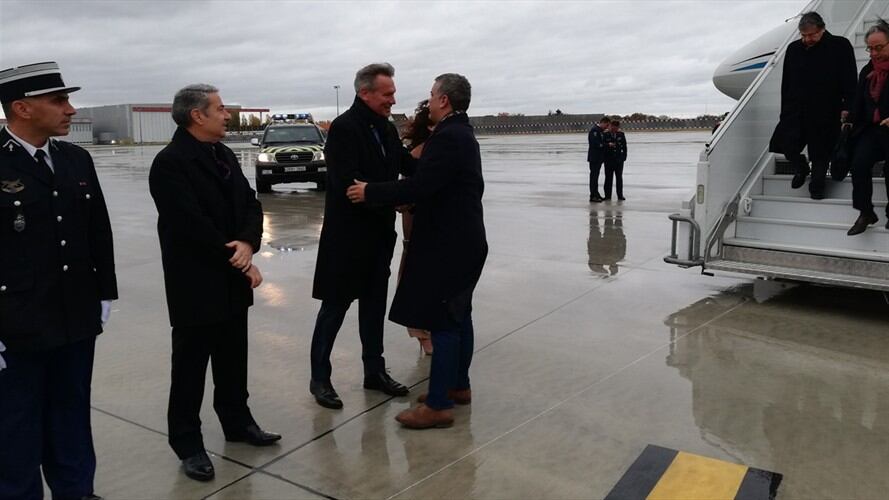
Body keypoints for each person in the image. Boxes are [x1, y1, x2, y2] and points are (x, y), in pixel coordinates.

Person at [149, 84, 280, 482]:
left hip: (230, 279)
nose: (228, 115)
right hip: (196, 283)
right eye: (220, 109)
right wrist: (239, 261)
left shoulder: (222, 155)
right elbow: (190, 225)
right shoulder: (170, 163)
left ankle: (237, 424)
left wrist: (248, 242)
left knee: (232, 359)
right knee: (190, 368)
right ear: (197, 116)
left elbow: (251, 204)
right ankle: (188, 443)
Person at [0, 61, 117, 500]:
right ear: (22, 108)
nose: (70, 109)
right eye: (58, 100)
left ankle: (77, 492)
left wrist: (104, 292)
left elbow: (97, 231)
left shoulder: (75, 158)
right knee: (15, 431)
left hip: (73, 318)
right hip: (15, 328)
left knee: (71, 419)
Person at [347, 73, 487, 429]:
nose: (429, 99)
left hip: (450, 246)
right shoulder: (459, 133)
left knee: (444, 321)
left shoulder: (449, 136)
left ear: (444, 100)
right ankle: (458, 386)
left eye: (432, 94)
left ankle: (438, 404)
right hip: (464, 242)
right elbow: (430, 178)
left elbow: (422, 185)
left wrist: (371, 192)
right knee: (459, 316)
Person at [309, 63, 415, 410]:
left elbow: (402, 163)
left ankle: (374, 371)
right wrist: (394, 195)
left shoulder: (385, 127)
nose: (393, 100)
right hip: (347, 239)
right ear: (365, 93)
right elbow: (351, 186)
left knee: (373, 307)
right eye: (387, 94)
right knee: (335, 308)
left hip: (378, 236)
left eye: (393, 94)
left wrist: (436, 171)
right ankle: (320, 378)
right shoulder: (344, 128)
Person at [768, 11, 857, 200]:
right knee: (786, 144)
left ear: (822, 29)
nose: (807, 39)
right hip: (796, 109)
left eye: (812, 35)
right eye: (803, 35)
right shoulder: (793, 49)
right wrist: (785, 111)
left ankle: (817, 186)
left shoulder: (840, 46)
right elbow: (787, 83)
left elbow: (850, 79)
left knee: (820, 154)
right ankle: (801, 167)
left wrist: (848, 107)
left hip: (826, 110)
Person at [846, 20, 889, 235]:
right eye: (870, 48)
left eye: (878, 48)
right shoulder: (868, 70)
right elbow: (859, 101)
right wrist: (850, 118)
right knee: (859, 165)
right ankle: (865, 212)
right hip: (872, 129)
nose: (873, 53)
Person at [400, 100, 433, 355]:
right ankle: (426, 338)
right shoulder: (420, 153)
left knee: (416, 286)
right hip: (420, 234)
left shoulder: (420, 151)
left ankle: (424, 337)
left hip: (414, 235)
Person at [587, 116, 611, 202]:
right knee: (593, 177)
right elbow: (596, 144)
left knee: (596, 177)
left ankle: (596, 194)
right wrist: (607, 145)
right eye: (607, 125)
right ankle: (593, 196)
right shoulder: (594, 131)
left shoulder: (600, 131)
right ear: (603, 122)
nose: (607, 127)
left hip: (598, 158)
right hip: (594, 158)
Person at [603, 120, 627, 201]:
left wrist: (624, 157)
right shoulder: (605, 134)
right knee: (608, 179)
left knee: (619, 178)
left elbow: (624, 146)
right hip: (608, 160)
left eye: (616, 127)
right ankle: (607, 196)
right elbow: (603, 146)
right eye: (613, 127)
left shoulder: (621, 134)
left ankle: (620, 195)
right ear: (610, 126)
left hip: (619, 160)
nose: (615, 129)